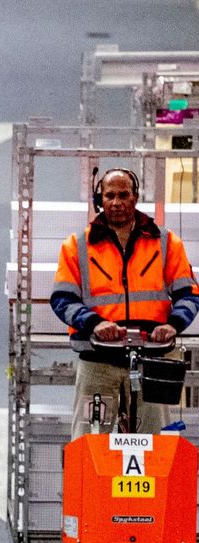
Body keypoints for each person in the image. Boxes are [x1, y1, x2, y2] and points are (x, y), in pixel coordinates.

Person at [52, 168, 199, 438]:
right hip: (98, 360)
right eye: (110, 195)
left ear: (135, 198)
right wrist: (94, 323)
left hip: (153, 358)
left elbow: (188, 294)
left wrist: (173, 325)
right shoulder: (77, 246)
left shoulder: (166, 243)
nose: (117, 202)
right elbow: (63, 299)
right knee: (89, 442)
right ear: (100, 199)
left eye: (124, 195)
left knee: (155, 442)